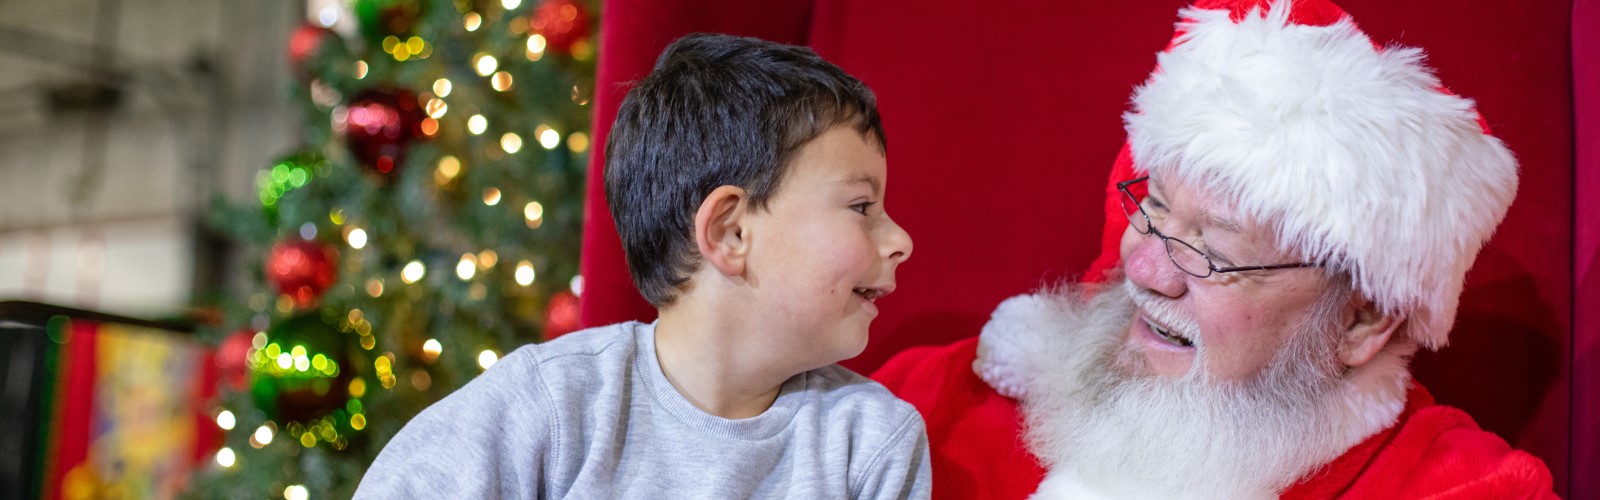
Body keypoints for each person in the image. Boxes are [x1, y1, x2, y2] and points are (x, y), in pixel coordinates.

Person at [873, 0, 1556, 498]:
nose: (1143, 270)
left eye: (1214, 252)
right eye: (1154, 209)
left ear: (1361, 321)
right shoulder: (929, 399)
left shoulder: (1464, 488)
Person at [356, 33, 927, 499]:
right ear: (730, 231)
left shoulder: (871, 444)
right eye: (860, 206)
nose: (899, 239)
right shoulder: (550, 405)